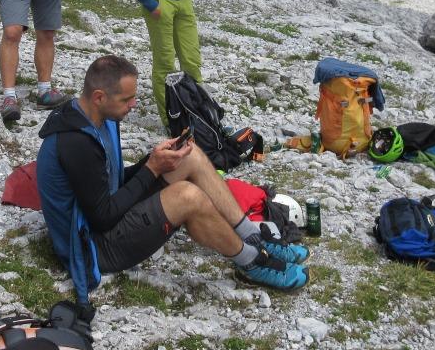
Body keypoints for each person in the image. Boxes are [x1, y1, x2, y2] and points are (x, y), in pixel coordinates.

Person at [36, 55, 309, 304]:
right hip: (93, 248)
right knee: (187, 197)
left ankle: (253, 237)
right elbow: (102, 217)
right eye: (126, 99)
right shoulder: (76, 143)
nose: (133, 104)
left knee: (191, 156)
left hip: (108, 217)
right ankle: (251, 263)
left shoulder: (101, 117)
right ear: (99, 97)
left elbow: (110, 181)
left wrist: (154, 160)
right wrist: (151, 169)